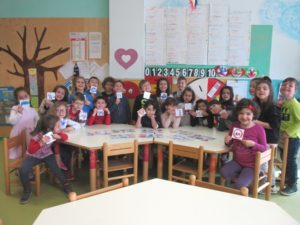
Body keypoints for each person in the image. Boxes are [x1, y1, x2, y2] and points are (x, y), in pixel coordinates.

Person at [18, 115, 72, 204]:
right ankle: (27, 190)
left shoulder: (53, 133)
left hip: (47, 154)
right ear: (49, 128)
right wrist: (41, 142)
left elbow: (65, 137)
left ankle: (66, 185)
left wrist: (59, 136)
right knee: (23, 170)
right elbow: (31, 150)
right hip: (33, 156)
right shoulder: (37, 135)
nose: (60, 127)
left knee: (56, 169)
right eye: (58, 126)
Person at [220, 99, 267, 189]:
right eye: (241, 113)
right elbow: (230, 143)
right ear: (237, 114)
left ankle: (246, 179)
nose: (244, 117)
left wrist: (253, 145)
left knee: (240, 185)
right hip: (237, 161)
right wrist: (227, 141)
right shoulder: (234, 125)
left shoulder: (259, 129)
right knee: (223, 172)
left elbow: (264, 148)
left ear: (253, 115)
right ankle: (242, 179)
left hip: (252, 165)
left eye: (248, 114)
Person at [254, 79, 281, 193]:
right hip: (261, 138)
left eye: (265, 88)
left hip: (270, 139)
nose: (261, 91)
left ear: (270, 91)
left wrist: (256, 122)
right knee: (262, 163)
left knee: (266, 164)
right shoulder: (257, 104)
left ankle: (270, 186)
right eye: (259, 89)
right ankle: (264, 184)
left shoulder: (273, 106)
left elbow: (273, 125)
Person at [278, 77, 300, 196]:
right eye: (284, 84)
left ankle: (293, 185)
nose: (286, 86)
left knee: (290, 161)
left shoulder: (294, 104)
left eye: (290, 85)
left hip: (292, 138)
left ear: (295, 90)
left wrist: (288, 132)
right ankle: (286, 178)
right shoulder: (285, 103)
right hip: (283, 137)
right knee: (284, 159)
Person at [50, 102, 81, 173]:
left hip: (62, 141)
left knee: (70, 149)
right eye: (57, 110)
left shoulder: (65, 120)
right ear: (54, 111)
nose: (60, 112)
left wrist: (70, 128)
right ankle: (61, 171)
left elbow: (78, 125)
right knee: (64, 153)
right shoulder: (51, 120)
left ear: (66, 111)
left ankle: (66, 169)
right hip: (53, 143)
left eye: (62, 110)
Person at [9, 87, 39, 159]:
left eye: (25, 96)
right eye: (20, 97)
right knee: (21, 154)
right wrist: (19, 113)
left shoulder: (32, 109)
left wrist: (35, 126)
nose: (24, 99)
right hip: (18, 134)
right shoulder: (15, 108)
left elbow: (37, 120)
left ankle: (30, 162)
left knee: (31, 150)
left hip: (30, 134)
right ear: (17, 99)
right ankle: (23, 166)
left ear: (29, 97)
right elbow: (12, 122)